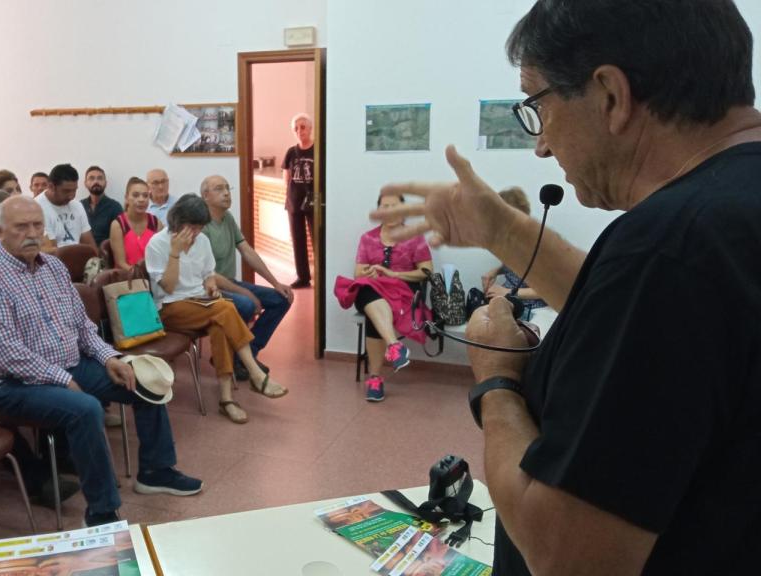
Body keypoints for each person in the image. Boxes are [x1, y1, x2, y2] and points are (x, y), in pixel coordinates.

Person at [375, 1, 760, 573]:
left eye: (538, 105)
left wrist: (497, 380)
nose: (542, 147)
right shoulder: (722, 219)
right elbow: (647, 320)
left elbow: (567, 558)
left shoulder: (667, 248)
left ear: (610, 95)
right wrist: (500, 227)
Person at [0, 196, 202, 527]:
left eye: (37, 224)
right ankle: (103, 513)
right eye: (21, 227)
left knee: (144, 380)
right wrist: (61, 380)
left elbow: (83, 328)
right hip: (13, 386)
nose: (32, 233)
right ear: (0, 230)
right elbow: (8, 354)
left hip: (70, 367)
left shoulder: (55, 267)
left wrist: (110, 358)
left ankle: (155, 471)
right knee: (86, 408)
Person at [145, 195, 287, 425]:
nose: (196, 232)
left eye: (200, 227)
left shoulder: (201, 241)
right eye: (192, 226)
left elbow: (208, 274)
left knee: (221, 321)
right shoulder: (157, 244)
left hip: (201, 303)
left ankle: (226, 399)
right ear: (177, 222)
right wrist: (175, 252)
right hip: (170, 308)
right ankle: (255, 373)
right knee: (226, 308)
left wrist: (211, 285)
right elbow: (167, 287)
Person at [337, 194, 431, 402]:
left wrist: (393, 274)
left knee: (372, 311)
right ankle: (394, 346)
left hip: (404, 293)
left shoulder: (415, 237)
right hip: (374, 292)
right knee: (367, 290)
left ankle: (376, 378)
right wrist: (372, 273)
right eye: (385, 207)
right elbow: (358, 274)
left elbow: (426, 272)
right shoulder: (368, 238)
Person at [200, 175, 293, 380]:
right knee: (245, 304)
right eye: (219, 189)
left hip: (229, 283)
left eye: (227, 187)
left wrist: (276, 283)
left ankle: (247, 353)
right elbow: (209, 274)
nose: (226, 193)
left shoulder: (228, 219)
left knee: (282, 298)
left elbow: (247, 251)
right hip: (208, 288)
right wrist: (246, 293)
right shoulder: (201, 226)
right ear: (205, 196)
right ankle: (230, 356)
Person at [481, 188, 550, 326]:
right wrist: (496, 270)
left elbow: (545, 290)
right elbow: (517, 266)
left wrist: (508, 292)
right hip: (509, 300)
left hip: (531, 309)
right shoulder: (509, 240)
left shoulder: (537, 245)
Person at [283, 113, 315, 288]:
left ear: (310, 128)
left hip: (313, 202)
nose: (299, 131)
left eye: (303, 127)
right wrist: (287, 196)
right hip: (294, 201)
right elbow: (286, 174)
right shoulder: (291, 151)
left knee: (318, 239)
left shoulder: (318, 149)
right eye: (296, 128)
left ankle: (323, 273)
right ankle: (303, 277)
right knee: (298, 239)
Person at [35, 163, 95, 248]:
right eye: (66, 191)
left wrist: (96, 260)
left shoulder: (77, 205)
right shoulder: (36, 209)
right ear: (51, 186)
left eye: (74, 190)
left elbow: (89, 244)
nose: (72, 196)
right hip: (56, 259)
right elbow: (51, 252)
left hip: (77, 257)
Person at [108, 177, 160, 270]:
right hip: (126, 278)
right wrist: (141, 277)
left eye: (145, 195)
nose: (141, 199)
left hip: (153, 277)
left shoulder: (155, 222)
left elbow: (164, 255)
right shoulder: (118, 225)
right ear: (126, 198)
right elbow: (121, 263)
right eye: (136, 195)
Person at [81, 166, 123, 246]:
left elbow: (119, 238)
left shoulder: (115, 207)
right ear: (85, 183)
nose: (96, 181)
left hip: (106, 254)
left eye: (100, 178)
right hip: (82, 252)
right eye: (91, 178)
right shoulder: (79, 206)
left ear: (106, 183)